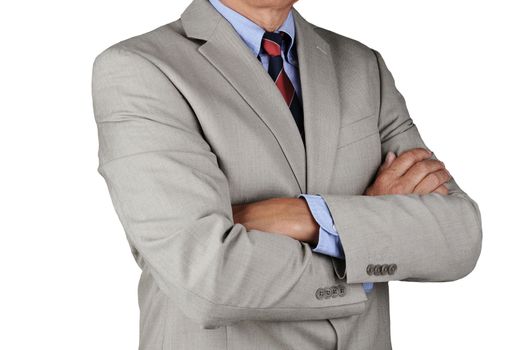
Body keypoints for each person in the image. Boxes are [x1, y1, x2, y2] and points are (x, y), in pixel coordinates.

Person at [91, 0, 482, 348]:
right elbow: (209, 278)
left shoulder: (363, 66)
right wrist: (366, 239)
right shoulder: (141, 69)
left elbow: (458, 236)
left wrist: (307, 218)